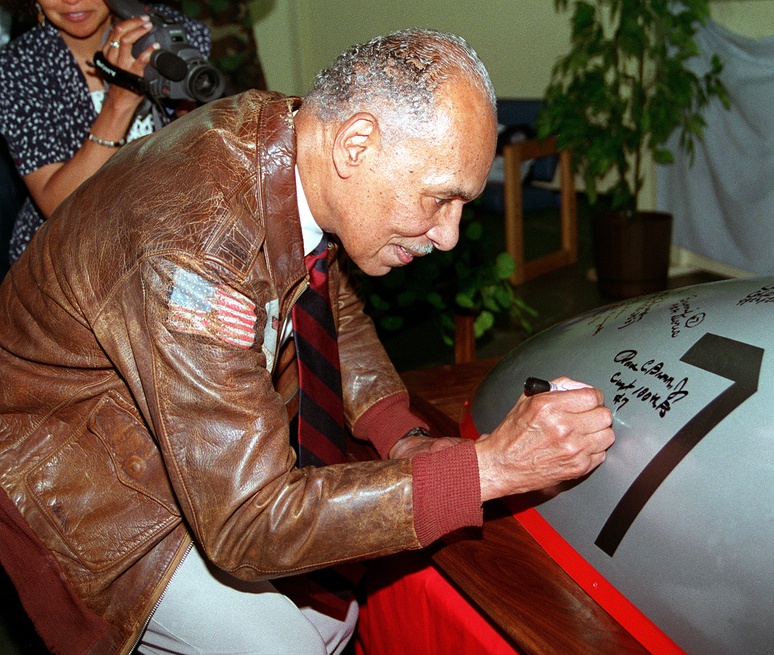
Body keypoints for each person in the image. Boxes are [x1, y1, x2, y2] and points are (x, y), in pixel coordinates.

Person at [0, 28, 615, 655]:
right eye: (440, 198)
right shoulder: (195, 249)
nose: (450, 234)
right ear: (358, 144)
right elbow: (248, 522)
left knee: (334, 615)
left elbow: (332, 301)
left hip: (173, 419)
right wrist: (491, 469)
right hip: (80, 469)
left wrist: (401, 435)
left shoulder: (292, 135)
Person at [0, 0, 211, 266]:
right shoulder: (17, 68)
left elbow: (206, 153)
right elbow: (57, 206)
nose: (70, 0)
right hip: (74, 259)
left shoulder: (167, 31)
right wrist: (120, 100)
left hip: (176, 237)